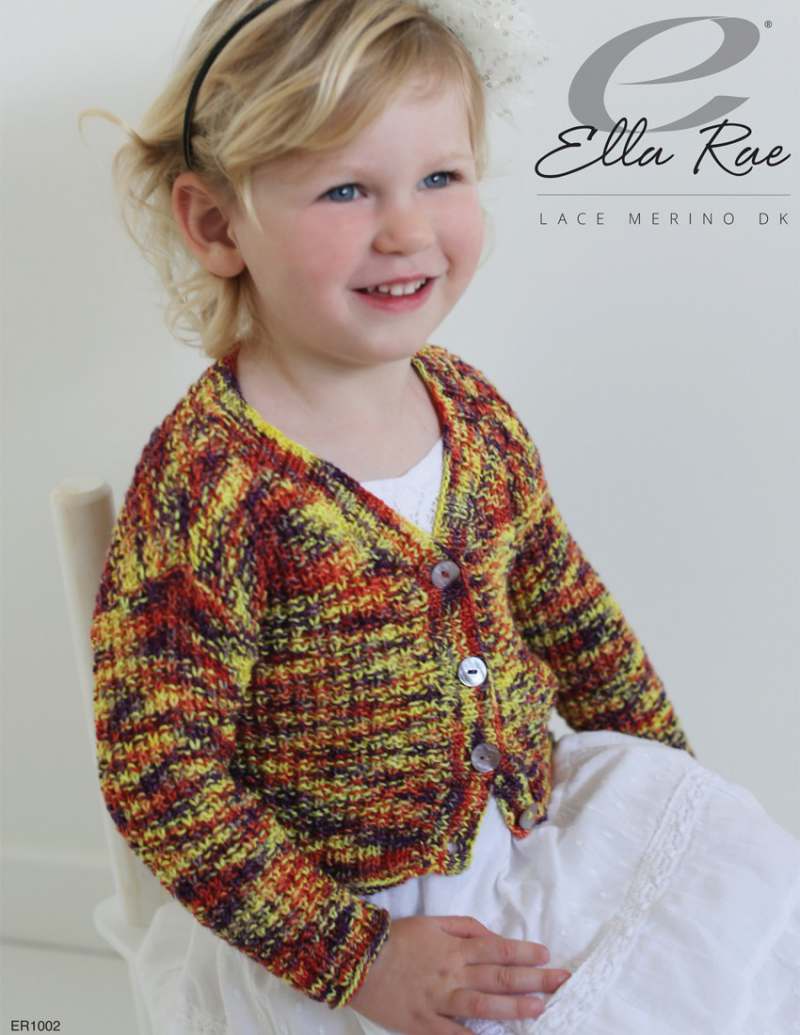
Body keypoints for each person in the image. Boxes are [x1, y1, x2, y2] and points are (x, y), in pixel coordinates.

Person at [82, 1, 800, 1033]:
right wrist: (358, 958)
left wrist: (668, 793)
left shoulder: (469, 409)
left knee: (734, 916)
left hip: (521, 835)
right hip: (340, 913)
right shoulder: (214, 486)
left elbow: (571, 616)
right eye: (346, 189)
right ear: (217, 226)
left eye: (441, 177)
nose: (407, 231)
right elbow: (161, 774)